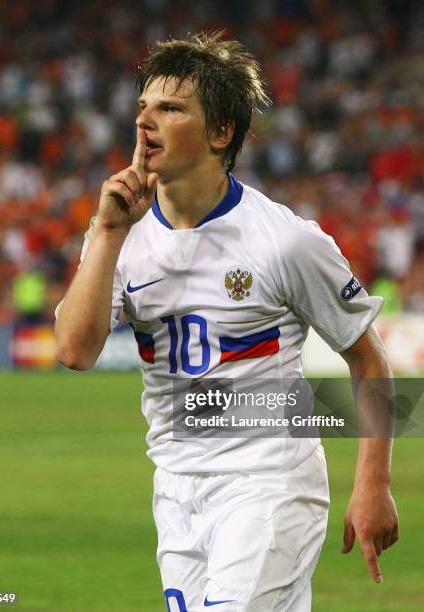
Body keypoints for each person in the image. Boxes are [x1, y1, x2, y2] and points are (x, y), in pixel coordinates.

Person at [55, 32, 399, 612]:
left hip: (269, 480)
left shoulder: (285, 241)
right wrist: (108, 233)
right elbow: (73, 352)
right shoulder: (119, 231)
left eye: (170, 108)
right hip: (175, 485)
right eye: (143, 106)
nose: (145, 121)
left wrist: (373, 484)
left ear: (221, 132)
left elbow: (367, 357)